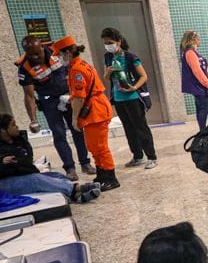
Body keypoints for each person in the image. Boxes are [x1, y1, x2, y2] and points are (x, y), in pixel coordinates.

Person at [15, 36, 93, 181]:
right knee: (59, 134)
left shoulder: (56, 50)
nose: (35, 57)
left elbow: (74, 63)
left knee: (77, 129)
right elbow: (29, 96)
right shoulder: (24, 67)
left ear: (42, 47)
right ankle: (69, 168)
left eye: (37, 53)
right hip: (49, 102)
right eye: (31, 54)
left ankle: (85, 163)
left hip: (68, 96)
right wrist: (33, 120)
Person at [52, 36, 120, 191]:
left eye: (60, 55)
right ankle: (102, 175)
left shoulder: (77, 69)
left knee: (100, 147)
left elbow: (80, 97)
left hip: (96, 111)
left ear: (68, 53)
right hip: (95, 109)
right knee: (94, 146)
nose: (59, 59)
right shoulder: (81, 65)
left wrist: (74, 118)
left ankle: (111, 178)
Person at [0, 114, 100, 202]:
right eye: (13, 125)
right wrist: (3, 163)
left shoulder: (19, 140)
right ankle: (76, 189)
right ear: (3, 130)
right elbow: (19, 165)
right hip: (5, 184)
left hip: (23, 175)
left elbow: (27, 161)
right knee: (35, 179)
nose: (17, 127)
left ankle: (75, 196)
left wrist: (18, 162)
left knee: (57, 176)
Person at [101, 27, 157, 169]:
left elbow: (144, 76)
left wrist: (134, 87)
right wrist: (108, 73)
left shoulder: (131, 57)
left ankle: (151, 157)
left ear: (119, 41)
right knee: (128, 128)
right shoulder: (107, 57)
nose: (108, 46)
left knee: (141, 127)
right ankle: (137, 156)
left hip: (133, 98)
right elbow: (106, 78)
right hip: (118, 99)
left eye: (110, 42)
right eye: (105, 43)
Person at [180, 30, 208, 131]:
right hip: (198, 85)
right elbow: (197, 71)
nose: (199, 41)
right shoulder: (190, 53)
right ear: (193, 40)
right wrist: (207, 84)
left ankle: (202, 129)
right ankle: (203, 130)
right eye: (198, 39)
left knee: (201, 107)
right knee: (204, 108)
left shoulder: (192, 52)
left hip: (199, 85)